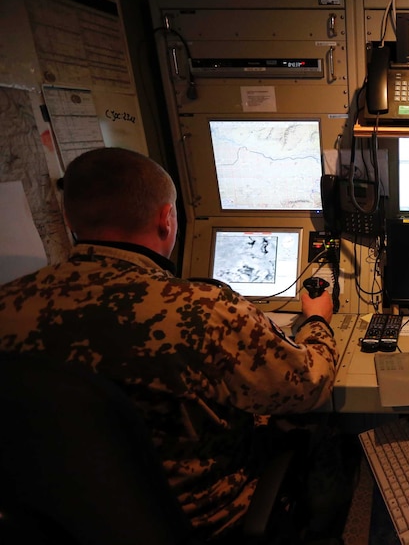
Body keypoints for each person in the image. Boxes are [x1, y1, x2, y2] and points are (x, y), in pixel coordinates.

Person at [0, 147, 339, 541]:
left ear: (68, 218)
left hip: (66, 524)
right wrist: (316, 320)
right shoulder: (203, 310)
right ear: (166, 220)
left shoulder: (8, 305)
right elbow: (308, 385)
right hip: (207, 521)